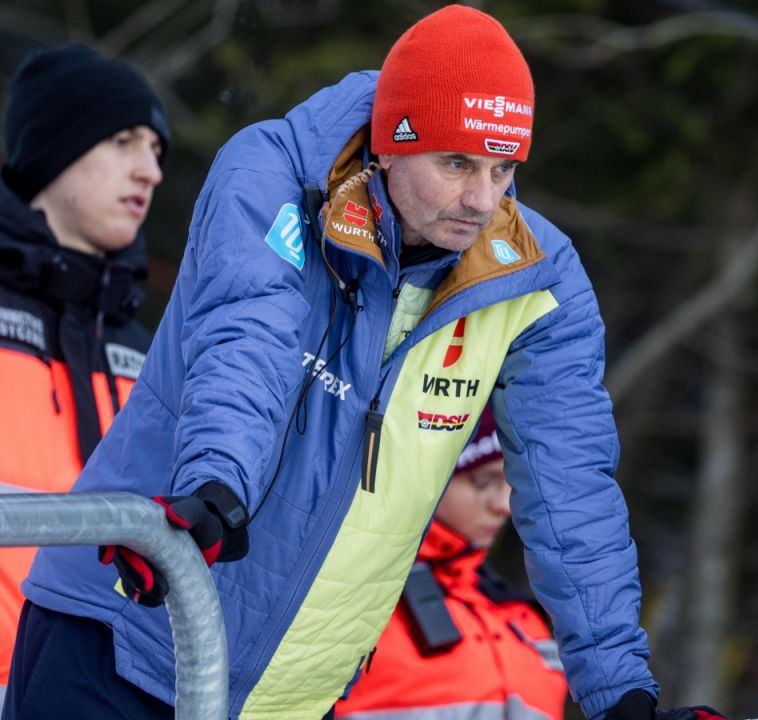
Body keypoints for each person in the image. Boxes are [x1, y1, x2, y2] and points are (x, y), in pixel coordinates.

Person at [7, 7, 720, 720]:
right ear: (393, 142)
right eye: (456, 163)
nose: (482, 200)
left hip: (289, 695)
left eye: (504, 169)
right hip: (121, 639)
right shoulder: (275, 173)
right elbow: (247, 338)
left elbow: (572, 491)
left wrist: (620, 695)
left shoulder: (536, 275)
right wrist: (212, 492)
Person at [0, 44, 167, 699]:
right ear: (54, 148)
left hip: (96, 697)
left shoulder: (152, 351)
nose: (150, 170)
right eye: (124, 141)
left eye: (156, 150)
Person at [335, 405, 567, 720]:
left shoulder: (525, 619)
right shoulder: (344, 596)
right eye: (483, 481)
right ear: (429, 477)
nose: (504, 505)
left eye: (513, 482)